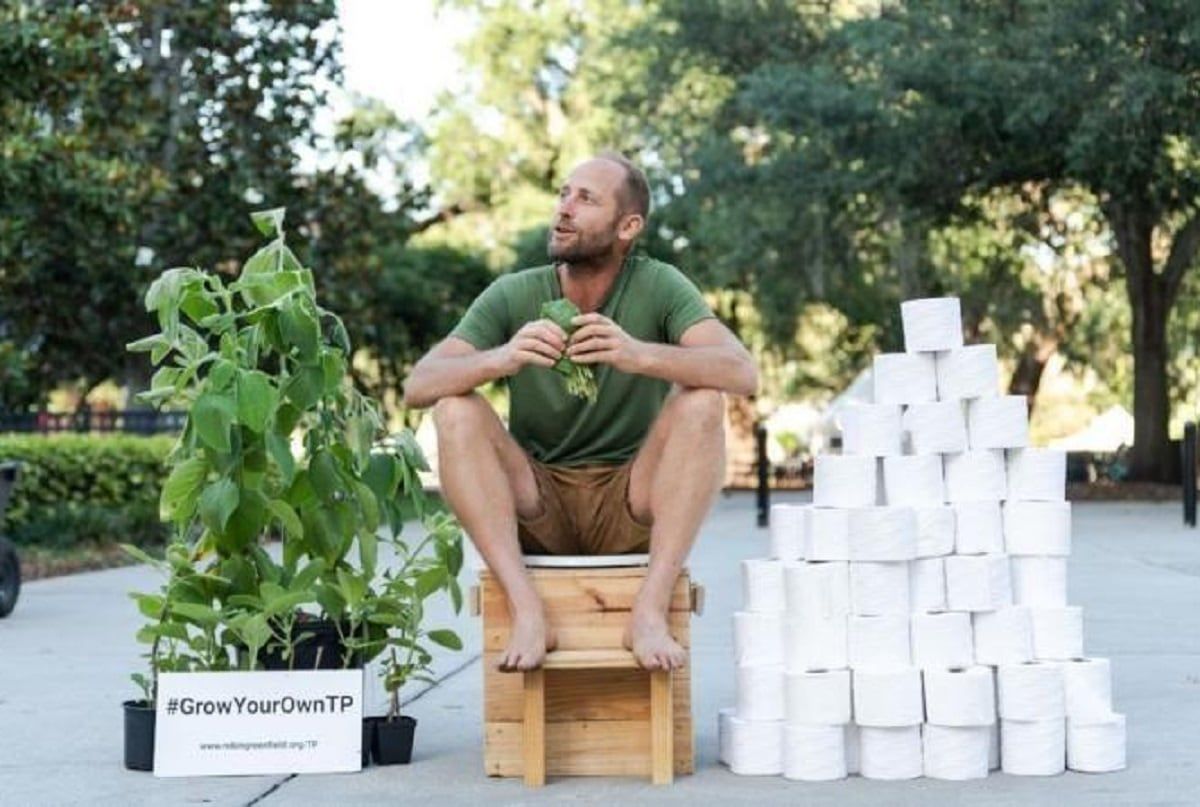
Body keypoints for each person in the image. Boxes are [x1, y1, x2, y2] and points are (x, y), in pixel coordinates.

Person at [403, 152, 757, 672]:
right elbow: (419, 385)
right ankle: (527, 610)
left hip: (629, 500)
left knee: (703, 400)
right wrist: (500, 358)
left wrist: (638, 354)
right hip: (537, 500)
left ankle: (650, 610)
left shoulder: (658, 285)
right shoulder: (514, 293)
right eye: (563, 194)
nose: (564, 209)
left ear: (627, 226)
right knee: (455, 410)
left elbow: (741, 372)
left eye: (586, 199)